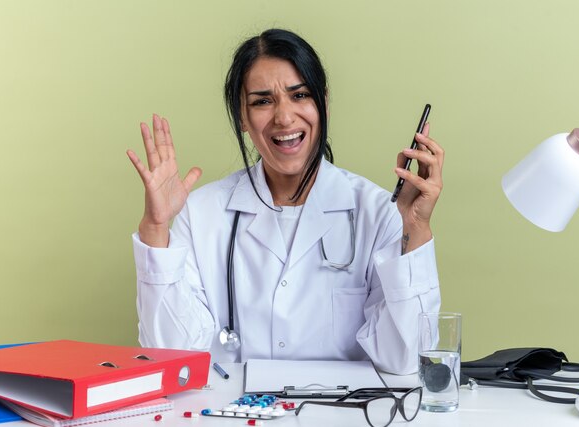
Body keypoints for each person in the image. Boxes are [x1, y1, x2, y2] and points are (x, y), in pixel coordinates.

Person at [127, 29, 444, 375]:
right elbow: (172, 358)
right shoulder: (202, 213)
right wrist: (156, 229)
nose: (284, 117)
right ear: (243, 118)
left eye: (300, 95)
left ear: (322, 102)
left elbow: (405, 359)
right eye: (262, 101)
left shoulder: (377, 211)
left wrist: (415, 228)